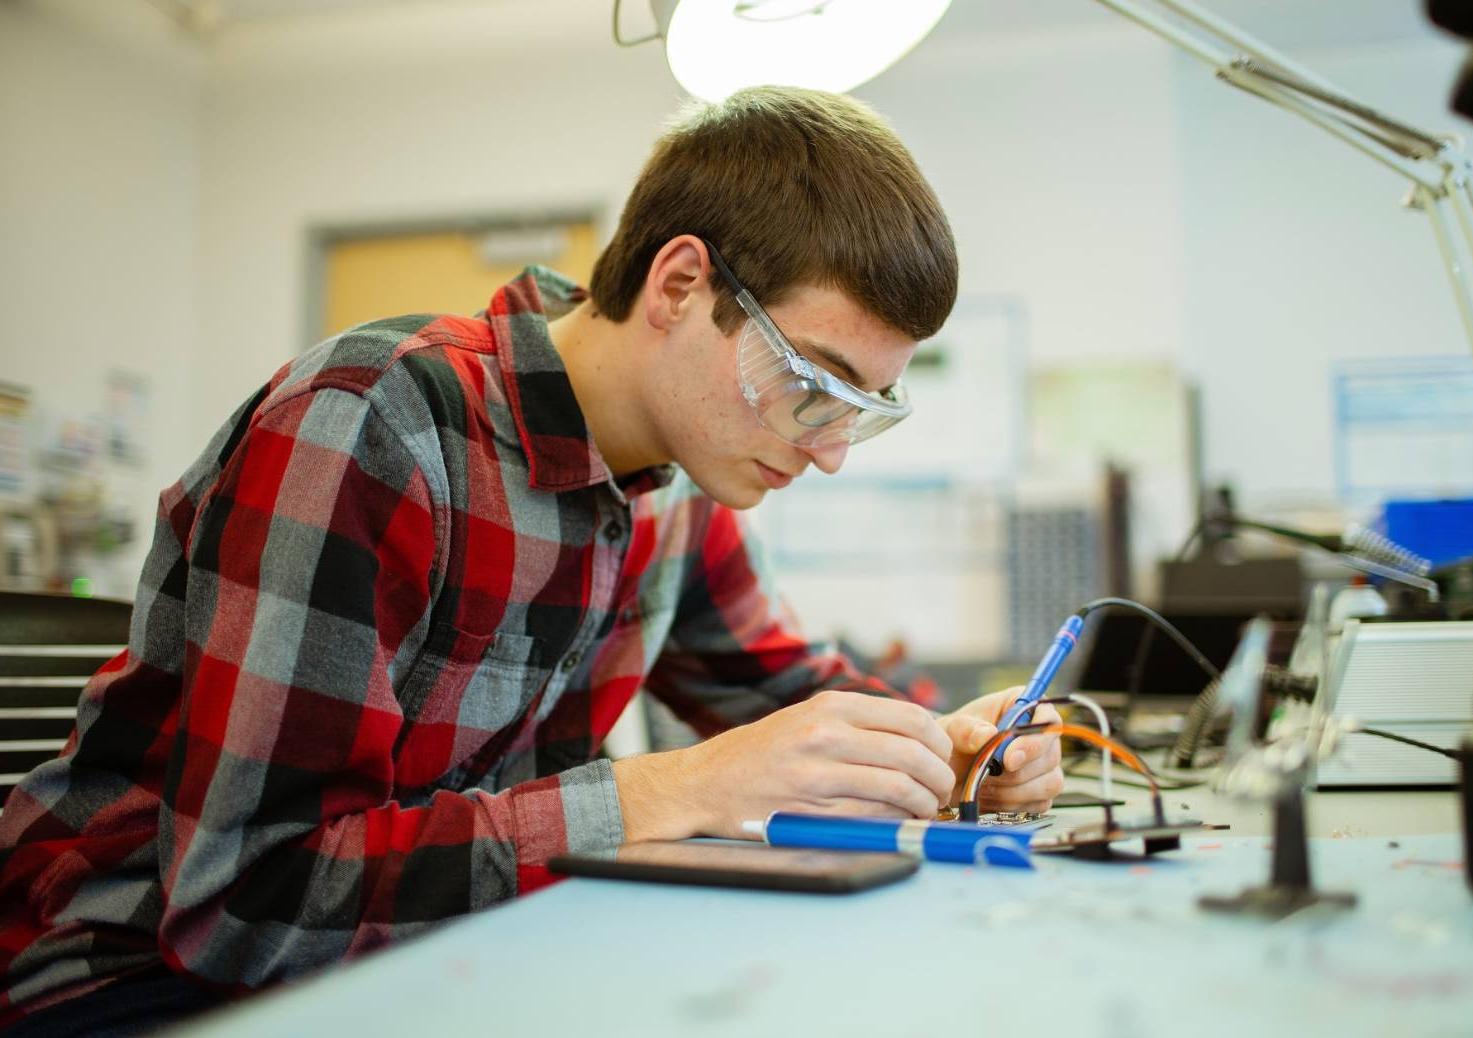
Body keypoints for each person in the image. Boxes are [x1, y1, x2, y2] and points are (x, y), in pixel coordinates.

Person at [0, 86, 1063, 1033]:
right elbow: (244, 905)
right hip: (134, 984)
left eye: (861, 414)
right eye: (811, 389)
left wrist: (950, 749)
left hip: (442, 962)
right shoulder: (371, 427)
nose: (828, 451)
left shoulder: (680, 486)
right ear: (681, 283)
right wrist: (662, 792)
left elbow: (784, 697)